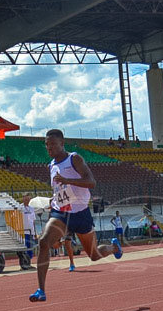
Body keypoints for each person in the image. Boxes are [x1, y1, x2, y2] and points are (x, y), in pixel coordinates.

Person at [30, 129, 122, 302]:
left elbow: (91, 182)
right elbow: (59, 190)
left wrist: (68, 180)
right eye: (47, 145)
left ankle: (113, 248)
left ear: (62, 143)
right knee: (43, 242)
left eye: (53, 144)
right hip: (61, 213)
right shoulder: (51, 166)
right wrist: (53, 200)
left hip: (81, 213)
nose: (49, 148)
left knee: (93, 255)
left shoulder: (74, 159)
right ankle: (41, 290)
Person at [17, 194, 35, 270]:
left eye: (28, 199)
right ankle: (22, 264)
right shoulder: (19, 208)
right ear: (23, 199)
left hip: (30, 231)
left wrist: (34, 232)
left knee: (30, 248)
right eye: (25, 198)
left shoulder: (31, 208)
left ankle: (29, 263)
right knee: (23, 249)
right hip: (23, 231)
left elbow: (33, 220)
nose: (27, 200)